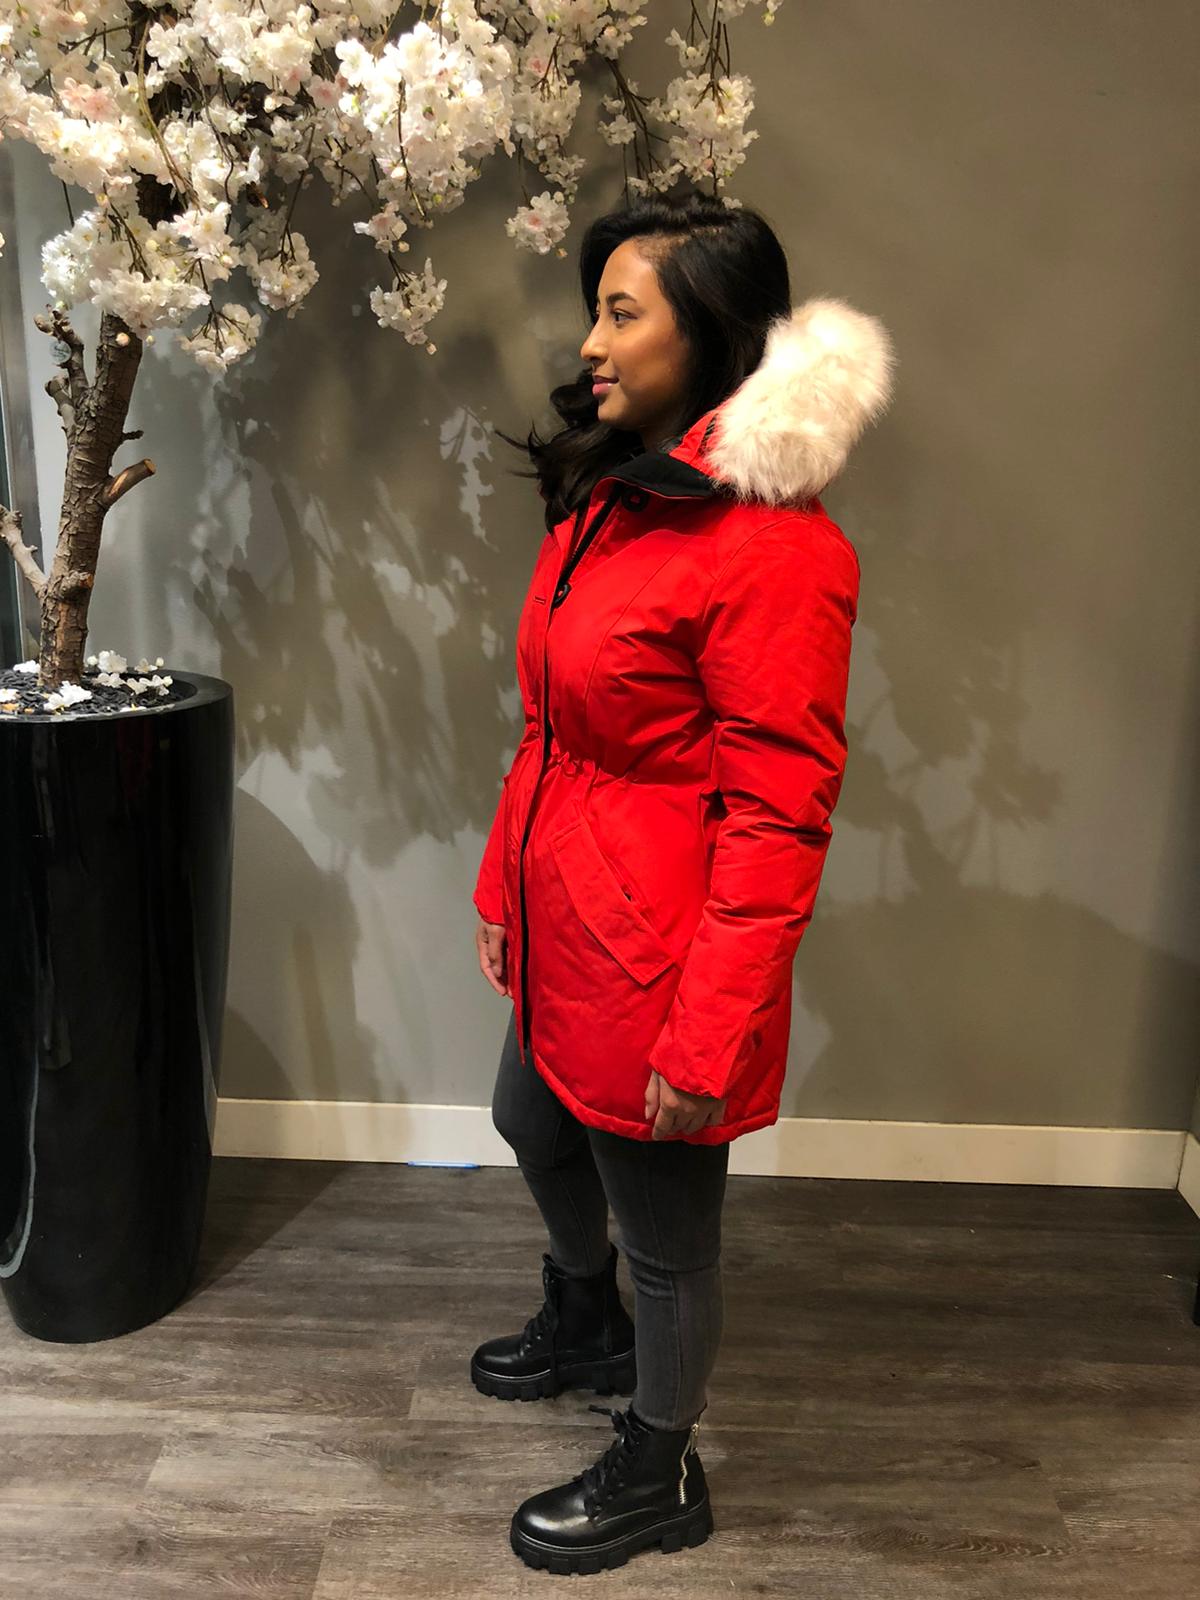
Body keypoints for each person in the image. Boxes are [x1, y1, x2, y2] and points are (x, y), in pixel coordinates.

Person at [470, 193, 896, 1575]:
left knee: (670, 1241)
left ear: (706, 330)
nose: (591, 343)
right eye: (593, 310)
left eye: (621, 312)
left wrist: (710, 1030)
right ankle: (584, 1314)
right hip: (565, 913)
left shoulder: (776, 548)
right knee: (526, 1119)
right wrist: (501, 885)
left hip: (663, 955)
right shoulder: (624, 495)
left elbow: (780, 815)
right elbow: (553, 726)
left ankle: (662, 1466)